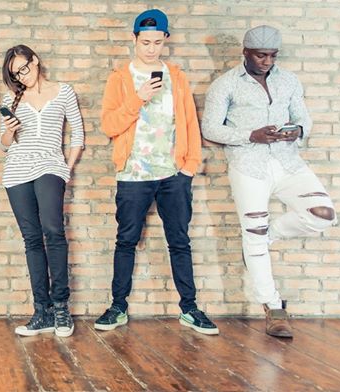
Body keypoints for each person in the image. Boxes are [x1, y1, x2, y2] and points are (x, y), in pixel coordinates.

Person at [202, 25, 336, 338]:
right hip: (248, 166)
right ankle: (273, 308)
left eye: (272, 55)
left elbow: (303, 118)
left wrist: (298, 131)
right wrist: (250, 135)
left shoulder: (288, 80)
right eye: (261, 55)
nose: (267, 61)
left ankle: (264, 240)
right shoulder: (225, 85)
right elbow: (210, 128)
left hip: (289, 162)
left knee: (322, 214)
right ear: (245, 53)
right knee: (253, 231)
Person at [97, 9, 218, 335]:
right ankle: (118, 306)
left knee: (179, 241)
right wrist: (137, 99)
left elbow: (190, 122)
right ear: (135, 40)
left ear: (165, 40)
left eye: (157, 42)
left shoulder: (177, 77)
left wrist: (190, 167)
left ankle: (189, 309)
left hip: (173, 175)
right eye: (145, 42)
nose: (151, 48)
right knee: (126, 241)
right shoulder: (120, 79)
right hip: (133, 175)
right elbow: (109, 125)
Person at [0, 45, 84, 337]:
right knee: (32, 238)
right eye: (15, 74)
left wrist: (66, 169)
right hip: (17, 171)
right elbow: (5, 143)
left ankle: (61, 307)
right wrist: (9, 129)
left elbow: (78, 135)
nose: (22, 76)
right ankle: (42, 311)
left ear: (35, 61)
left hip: (50, 166)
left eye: (24, 68)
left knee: (53, 230)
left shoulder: (63, 91)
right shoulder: (12, 98)